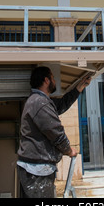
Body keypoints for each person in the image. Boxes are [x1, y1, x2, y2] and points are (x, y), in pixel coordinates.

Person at [17, 66, 91, 198]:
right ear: (46, 80)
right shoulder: (40, 103)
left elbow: (61, 104)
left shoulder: (39, 101)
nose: (55, 81)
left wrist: (79, 88)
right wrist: (69, 150)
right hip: (36, 171)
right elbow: (56, 133)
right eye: (53, 78)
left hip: (35, 169)